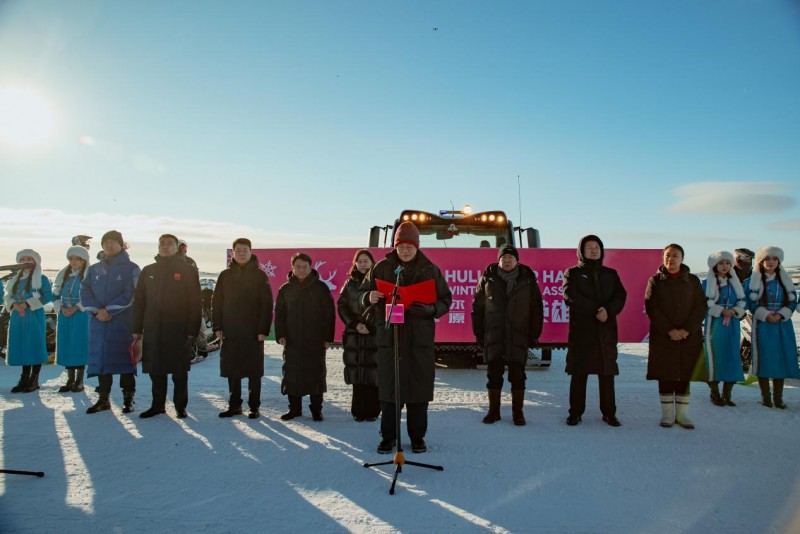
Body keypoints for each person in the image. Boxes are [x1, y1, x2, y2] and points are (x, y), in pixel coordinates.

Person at [360, 221, 453, 454]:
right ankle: (388, 437)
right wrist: (367, 297)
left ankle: (418, 437)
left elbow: (445, 300)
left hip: (418, 341)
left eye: (410, 246)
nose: (405, 251)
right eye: (401, 246)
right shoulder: (381, 267)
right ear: (395, 246)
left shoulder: (429, 269)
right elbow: (360, 292)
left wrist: (431, 310)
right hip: (389, 339)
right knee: (389, 392)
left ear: (417, 246)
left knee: (418, 391)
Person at [472, 243, 543, 426]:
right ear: (499, 260)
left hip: (518, 334)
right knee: (493, 375)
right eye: (504, 258)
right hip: (494, 334)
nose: (507, 261)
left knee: (518, 376)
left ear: (517, 260)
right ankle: (493, 411)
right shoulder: (488, 279)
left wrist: (535, 333)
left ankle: (518, 413)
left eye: (511, 257)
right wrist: (479, 333)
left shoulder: (527, 280)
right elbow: (477, 308)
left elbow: (537, 309)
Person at [132, 234, 201, 419]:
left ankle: (180, 406)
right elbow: (139, 302)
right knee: (156, 369)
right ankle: (158, 405)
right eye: (162, 243)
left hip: (179, 329)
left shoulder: (187, 270)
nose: (165, 246)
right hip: (153, 328)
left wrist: (192, 330)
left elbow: (195, 302)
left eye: (169, 243)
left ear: (177, 247)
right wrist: (137, 328)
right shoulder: (148, 271)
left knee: (179, 371)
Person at [562, 235, 627, 427]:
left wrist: (608, 310)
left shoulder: (610, 273)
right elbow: (569, 295)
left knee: (606, 374)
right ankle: (575, 413)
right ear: (581, 251)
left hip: (605, 331)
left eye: (597, 247)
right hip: (582, 332)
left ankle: (609, 413)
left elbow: (620, 295)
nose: (594, 250)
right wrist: (594, 311)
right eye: (589, 247)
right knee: (579, 374)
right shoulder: (572, 273)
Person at [644, 243, 706, 429]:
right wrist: (670, 330)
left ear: (682, 258)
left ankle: (682, 415)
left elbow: (700, 307)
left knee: (684, 374)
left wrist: (687, 329)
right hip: (664, 336)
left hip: (689, 336)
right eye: (667, 255)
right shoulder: (655, 280)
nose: (671, 259)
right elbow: (652, 308)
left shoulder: (693, 281)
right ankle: (667, 415)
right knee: (666, 374)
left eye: (675, 255)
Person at [81, 230, 141, 414]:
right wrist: (97, 311)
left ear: (121, 244)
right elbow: (84, 291)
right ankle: (103, 399)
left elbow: (132, 294)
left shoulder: (131, 268)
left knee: (125, 362)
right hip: (99, 322)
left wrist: (109, 310)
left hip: (122, 322)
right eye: (106, 242)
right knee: (102, 361)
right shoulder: (94, 269)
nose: (109, 245)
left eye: (113, 242)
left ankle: (128, 398)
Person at [213, 238, 273, 419]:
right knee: (233, 369)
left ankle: (254, 406)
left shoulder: (259, 275)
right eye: (238, 250)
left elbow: (266, 304)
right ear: (233, 252)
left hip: (253, 331)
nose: (241, 253)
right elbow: (217, 302)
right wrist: (218, 326)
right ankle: (235, 405)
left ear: (250, 252)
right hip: (230, 329)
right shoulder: (225, 275)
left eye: (244, 250)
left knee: (254, 371)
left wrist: (263, 328)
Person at [275, 252, 335, 421]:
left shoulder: (321, 288)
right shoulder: (285, 289)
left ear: (311, 267)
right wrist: (281, 334)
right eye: (298, 267)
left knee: (316, 374)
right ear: (292, 268)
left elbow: (329, 314)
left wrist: (327, 337)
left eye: (305, 267)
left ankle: (317, 410)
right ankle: (294, 409)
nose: (301, 270)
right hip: (292, 339)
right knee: (292, 373)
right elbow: (279, 314)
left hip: (315, 339)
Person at [743, 246, 798, 408]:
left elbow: (793, 300)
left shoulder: (785, 280)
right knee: (765, 358)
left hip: (782, 324)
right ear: (761, 261)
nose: (771, 262)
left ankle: (778, 398)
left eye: (774, 259)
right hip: (763, 325)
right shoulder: (752, 282)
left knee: (780, 358)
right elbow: (750, 302)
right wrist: (765, 314)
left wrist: (781, 314)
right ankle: (766, 397)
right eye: (768, 259)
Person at [337, 249, 380, 421]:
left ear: (372, 263)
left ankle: (373, 411)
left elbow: (382, 308)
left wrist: (370, 326)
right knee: (357, 374)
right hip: (354, 334)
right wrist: (356, 325)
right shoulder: (349, 284)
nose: (363, 264)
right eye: (360, 261)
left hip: (374, 334)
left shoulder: (378, 282)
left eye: (366, 261)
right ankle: (358, 411)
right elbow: (342, 307)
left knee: (374, 373)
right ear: (355, 264)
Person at [4, 249, 53, 393]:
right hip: (17, 315)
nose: (26, 261)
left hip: (33, 314)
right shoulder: (15, 279)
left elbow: (47, 296)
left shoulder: (41, 278)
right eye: (23, 259)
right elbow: (7, 295)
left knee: (34, 344)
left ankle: (34, 379)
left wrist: (28, 304)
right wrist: (13, 304)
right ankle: (24, 378)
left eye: (29, 259)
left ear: (35, 261)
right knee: (22, 345)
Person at [701, 251, 746, 406]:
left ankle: (728, 394)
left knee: (731, 356)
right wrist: (720, 311)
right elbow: (704, 303)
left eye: (727, 263)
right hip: (715, 324)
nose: (725, 266)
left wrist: (736, 311)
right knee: (715, 356)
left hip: (732, 324)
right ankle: (715, 393)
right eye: (721, 263)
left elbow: (742, 300)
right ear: (715, 265)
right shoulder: (707, 283)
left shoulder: (735, 282)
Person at [53, 246, 91, 393]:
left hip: (80, 315)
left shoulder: (88, 276)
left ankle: (80, 380)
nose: (74, 262)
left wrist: (76, 308)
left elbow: (90, 296)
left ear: (84, 261)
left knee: (78, 344)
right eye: (71, 259)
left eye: (78, 259)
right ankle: (70, 379)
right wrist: (61, 308)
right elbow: (55, 294)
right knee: (67, 344)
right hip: (65, 315)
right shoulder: (63, 276)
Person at [733, 247, 756, 378]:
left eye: (750, 259)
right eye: (744, 259)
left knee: (752, 334)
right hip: (728, 311)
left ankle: (746, 361)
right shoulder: (728, 274)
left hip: (748, 310)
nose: (748, 262)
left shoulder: (754, 276)